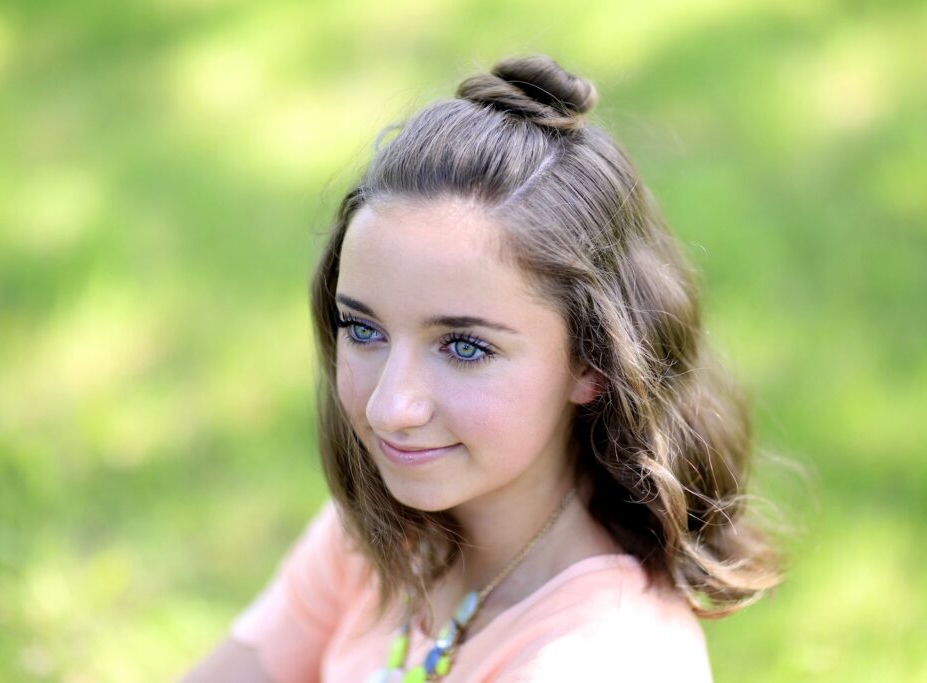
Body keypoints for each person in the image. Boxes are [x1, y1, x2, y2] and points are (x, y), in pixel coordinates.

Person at [181, 54, 783, 683]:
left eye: (464, 347)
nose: (390, 408)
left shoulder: (598, 659)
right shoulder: (378, 539)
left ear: (592, 362)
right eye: (363, 330)